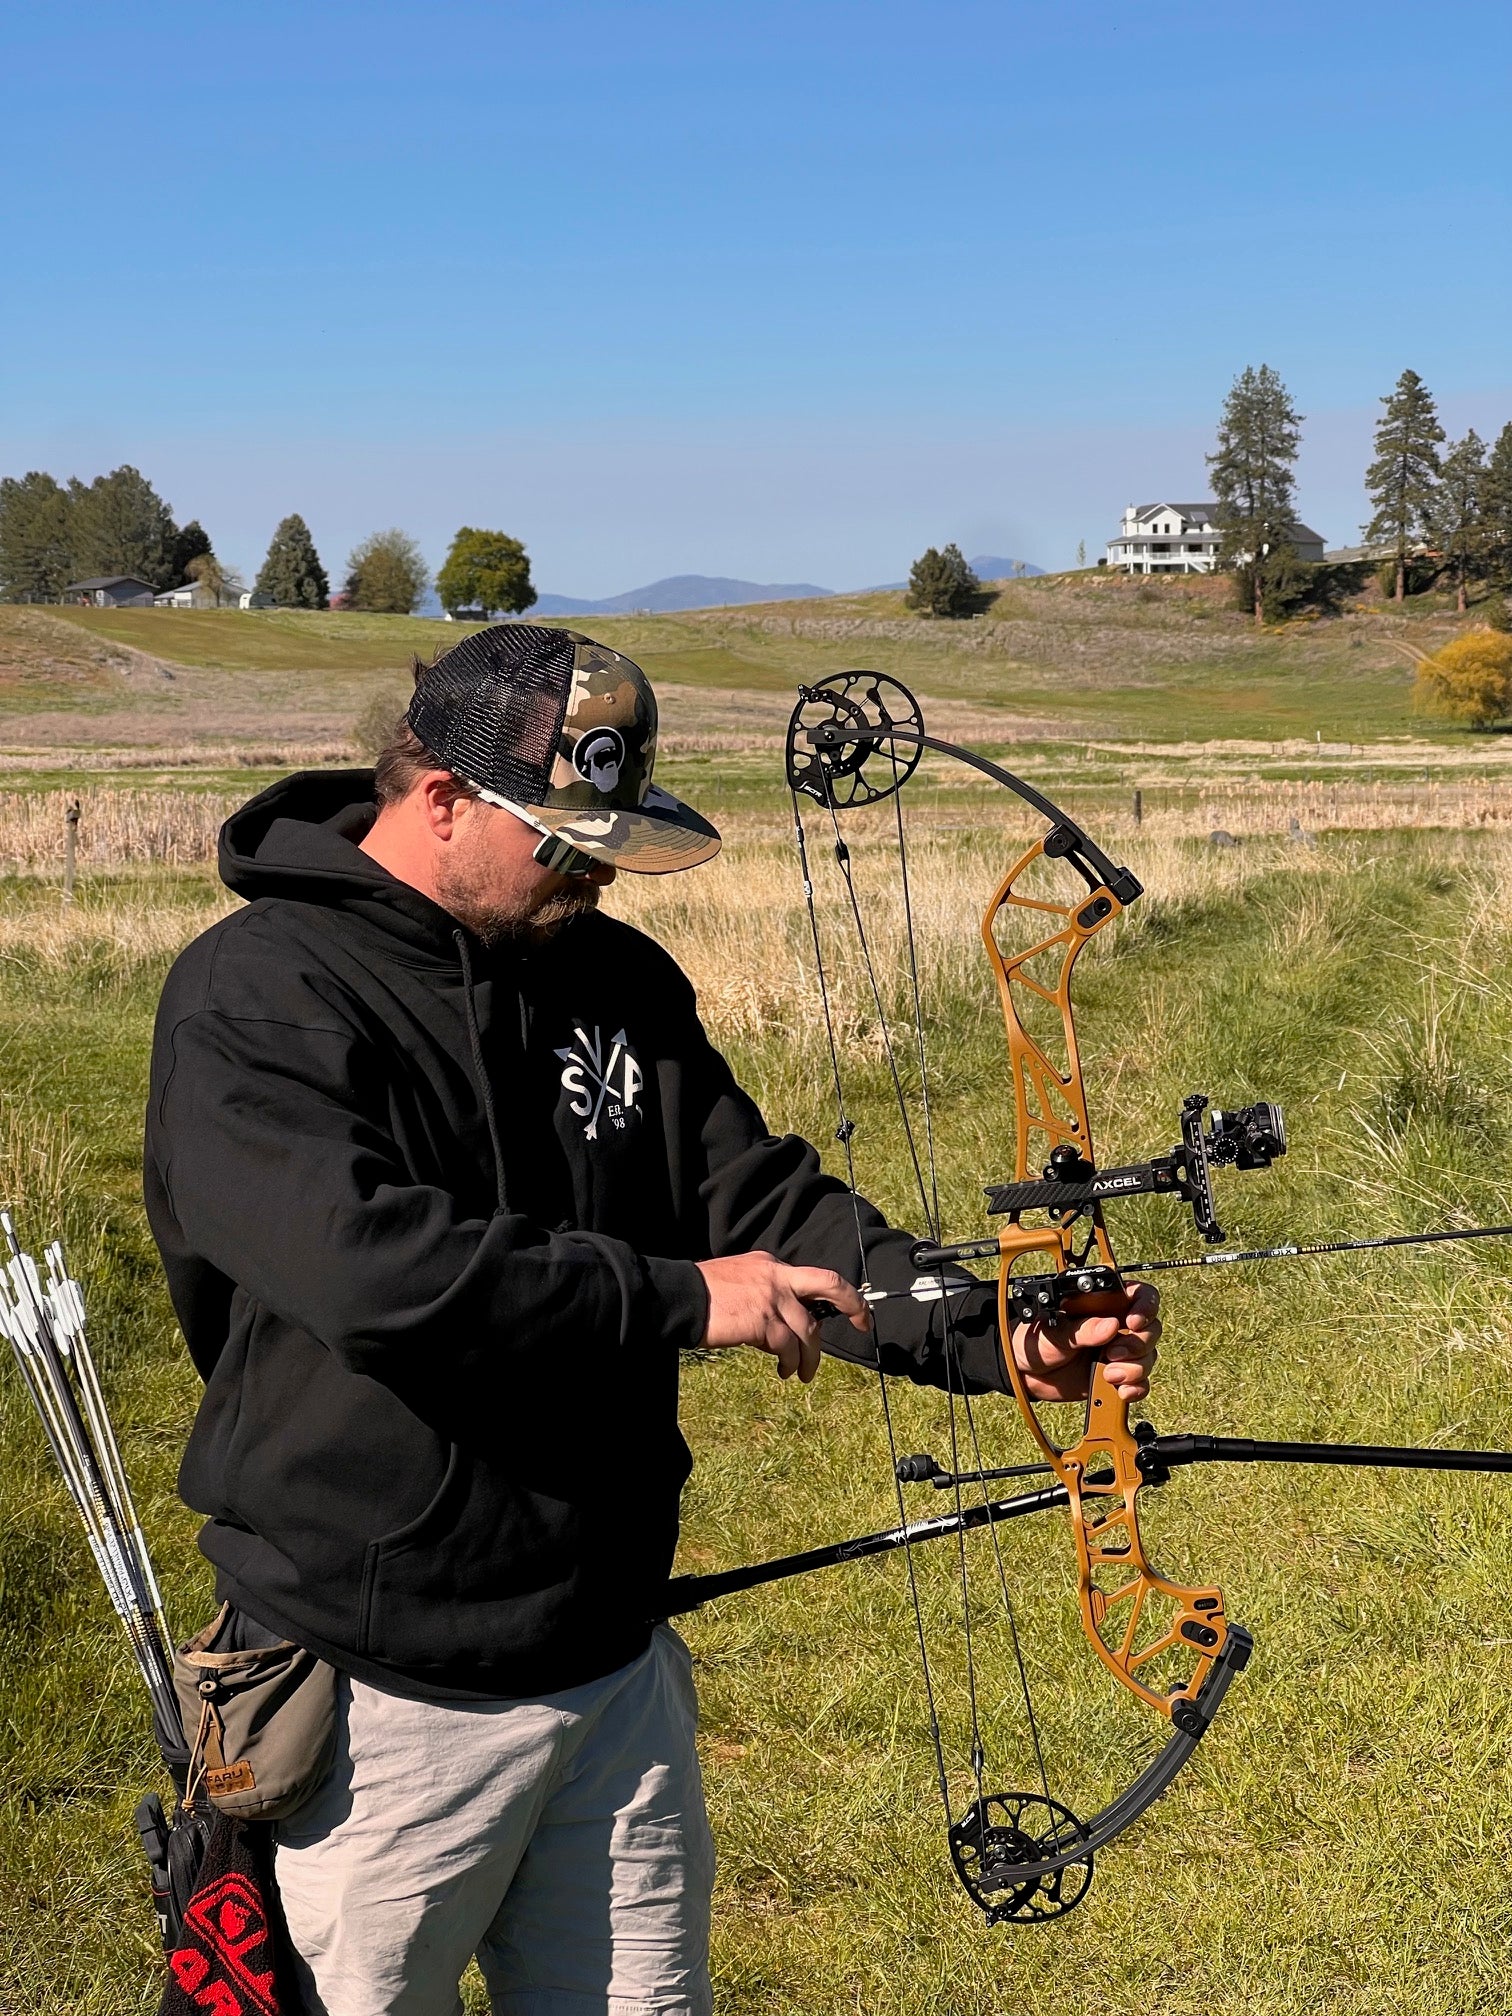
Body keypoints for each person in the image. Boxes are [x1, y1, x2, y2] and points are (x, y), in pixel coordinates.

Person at [144, 624, 1159, 2016]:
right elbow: (374, 1273)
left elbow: (762, 1203)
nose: (601, 874)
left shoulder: (612, 979)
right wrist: (684, 1298)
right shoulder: (258, 992)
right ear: (439, 799)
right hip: (378, 1696)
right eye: (566, 843)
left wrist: (993, 1330)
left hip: (612, 1665)